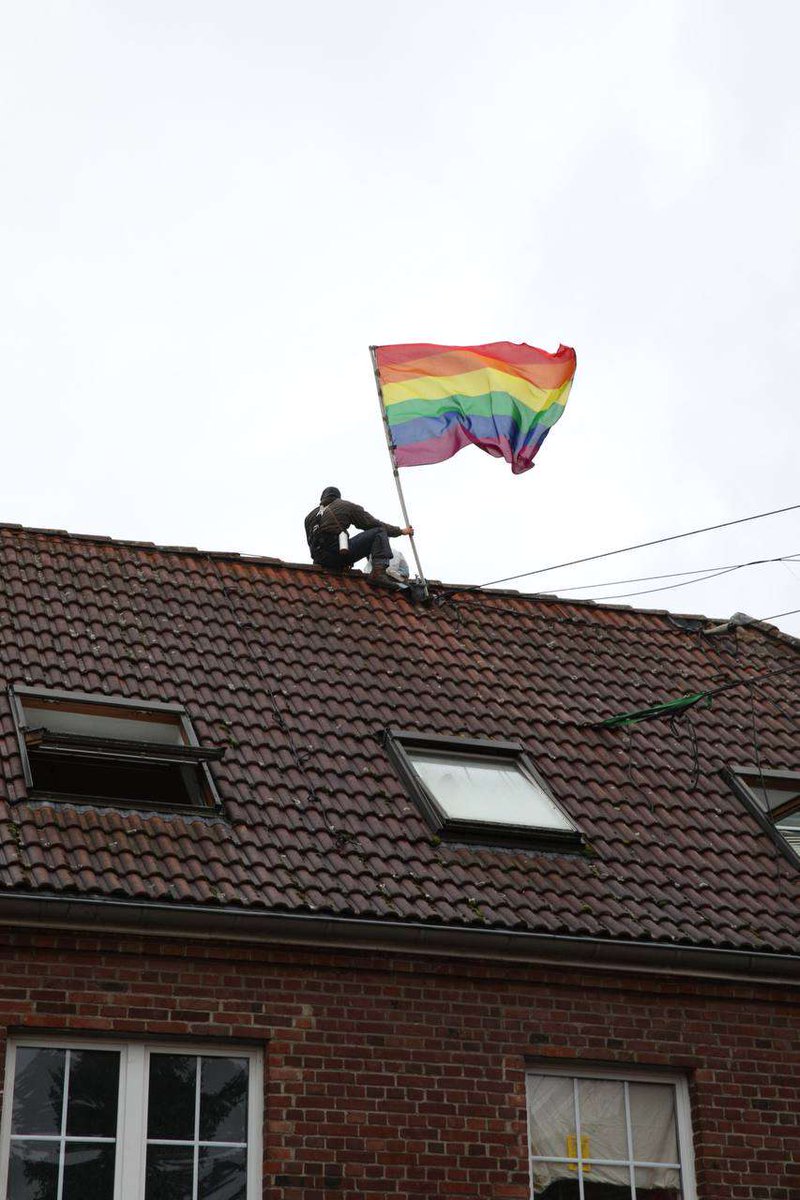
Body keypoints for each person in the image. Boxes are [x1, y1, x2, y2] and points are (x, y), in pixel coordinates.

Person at [305, 486, 413, 586]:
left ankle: (341, 564)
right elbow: (373, 524)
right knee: (379, 532)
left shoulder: (309, 517)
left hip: (319, 560)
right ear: (338, 497)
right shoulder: (344, 505)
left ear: (322, 498)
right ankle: (378, 573)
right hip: (337, 555)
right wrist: (401, 531)